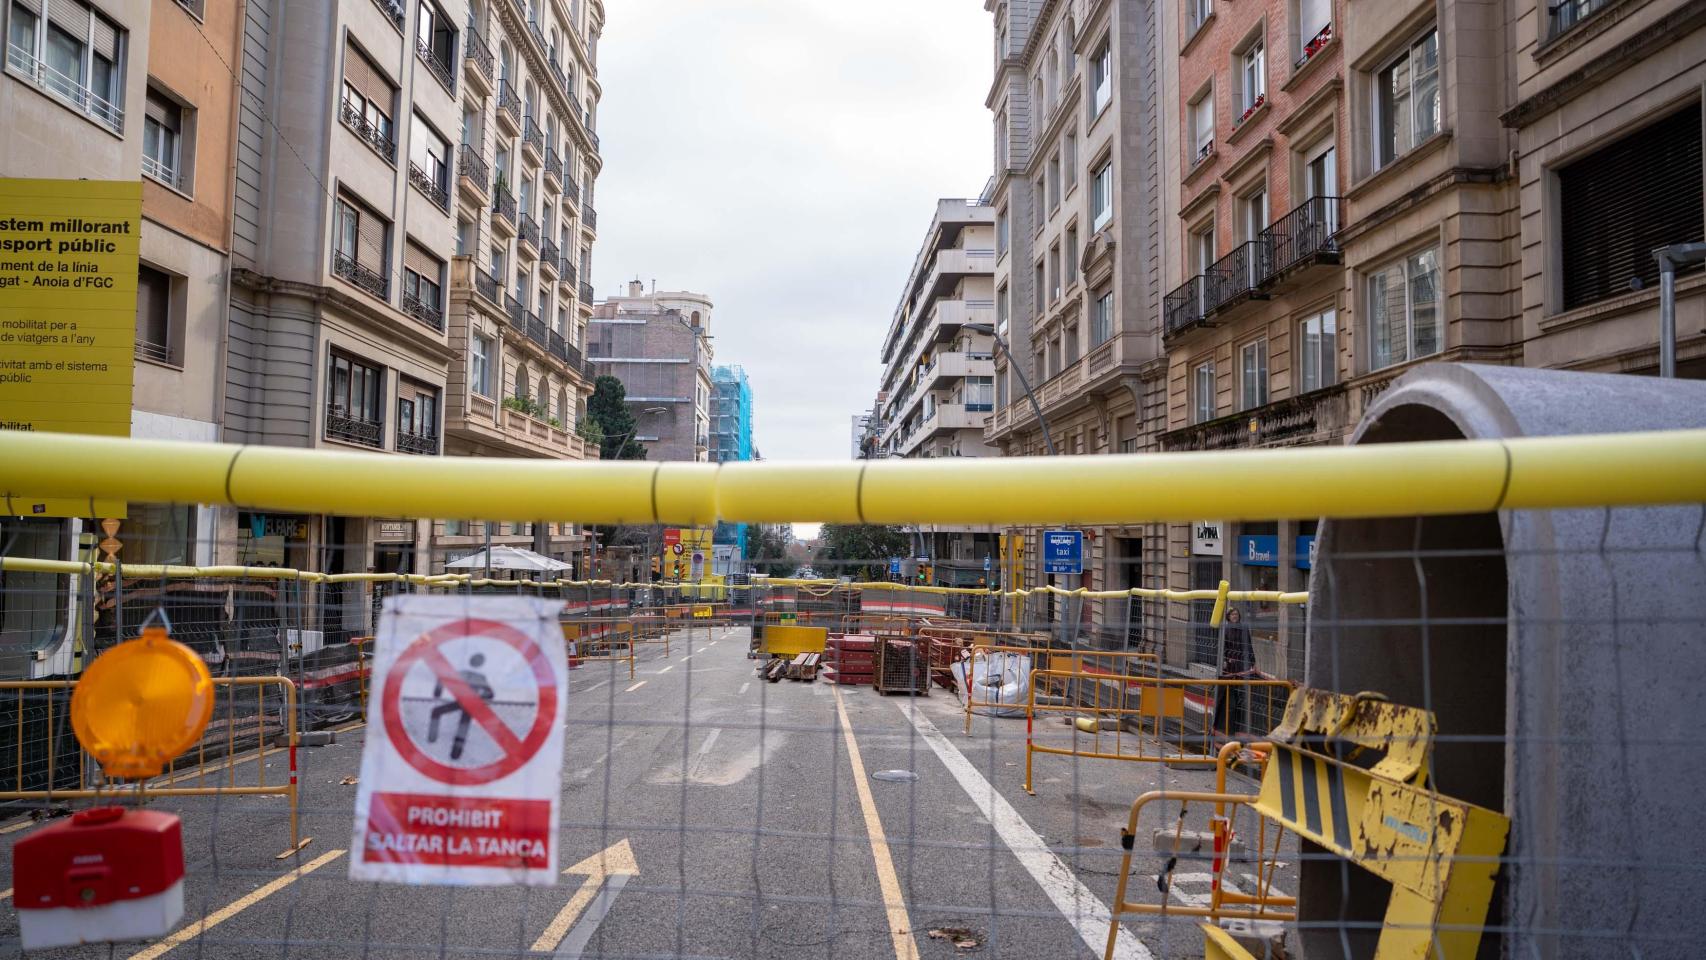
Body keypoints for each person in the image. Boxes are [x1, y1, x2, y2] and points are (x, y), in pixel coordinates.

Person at [1213, 606, 1256, 736]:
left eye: (1237, 614)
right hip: (1230, 665)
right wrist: (1226, 659)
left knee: (1240, 688)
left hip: (1241, 663)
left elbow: (1248, 644)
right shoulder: (1225, 630)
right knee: (1230, 688)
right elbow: (1222, 646)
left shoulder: (1244, 628)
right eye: (1232, 615)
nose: (1235, 616)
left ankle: (1239, 713)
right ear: (1228, 617)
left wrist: (1252, 660)